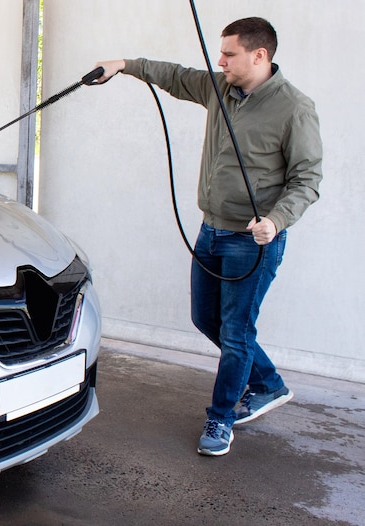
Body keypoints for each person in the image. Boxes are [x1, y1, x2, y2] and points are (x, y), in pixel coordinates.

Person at [94, 17, 322, 456]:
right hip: (210, 230)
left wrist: (275, 221)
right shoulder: (219, 88)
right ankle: (270, 383)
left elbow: (307, 179)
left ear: (260, 55)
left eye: (229, 54)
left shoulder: (295, 108)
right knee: (207, 320)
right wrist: (123, 64)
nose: (220, 62)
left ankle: (221, 420)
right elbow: (176, 77)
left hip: (253, 242)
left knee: (236, 333)